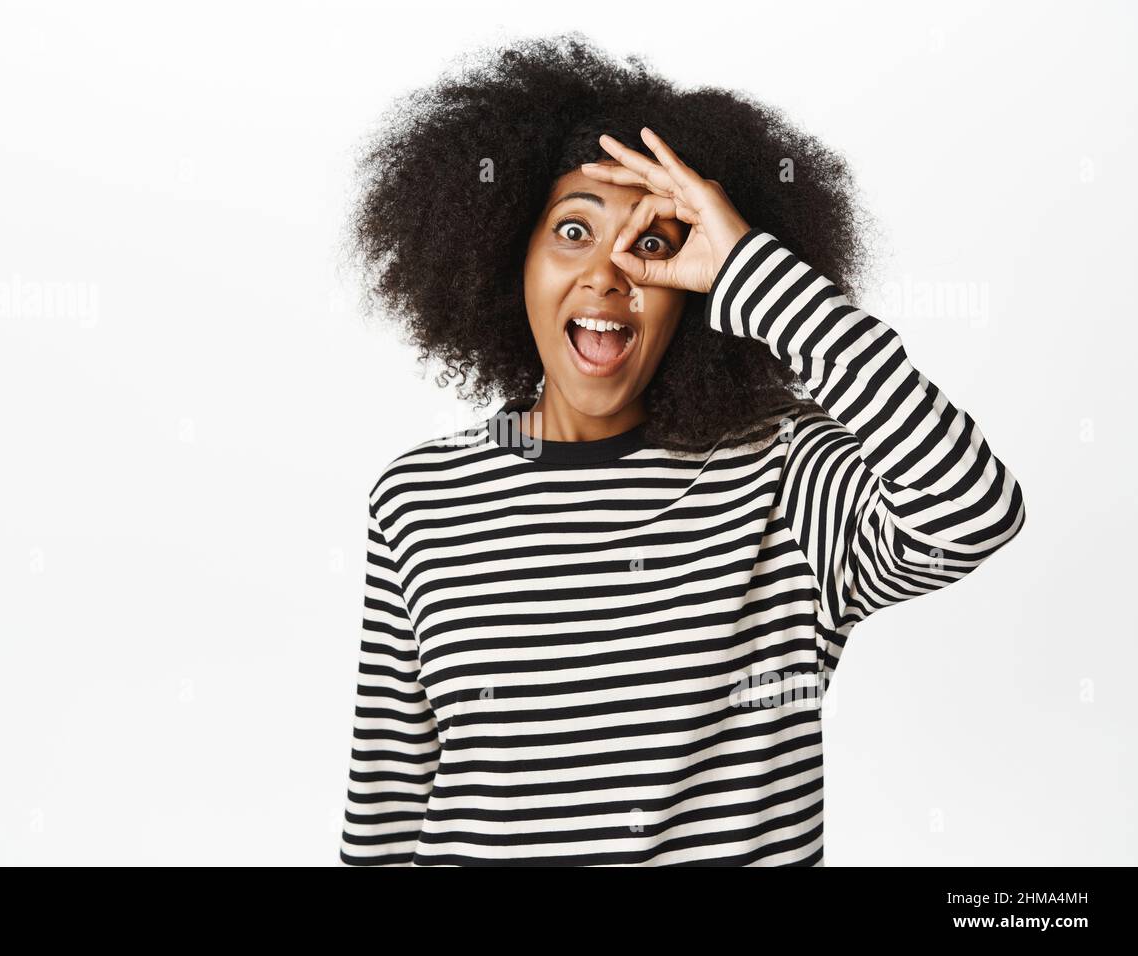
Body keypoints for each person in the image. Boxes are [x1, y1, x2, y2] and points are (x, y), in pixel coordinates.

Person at [336, 34, 1026, 866]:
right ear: (504, 258)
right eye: (572, 232)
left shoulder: (781, 478)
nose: (607, 274)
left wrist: (749, 270)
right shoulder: (419, 499)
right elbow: (388, 799)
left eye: (653, 245)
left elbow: (972, 511)